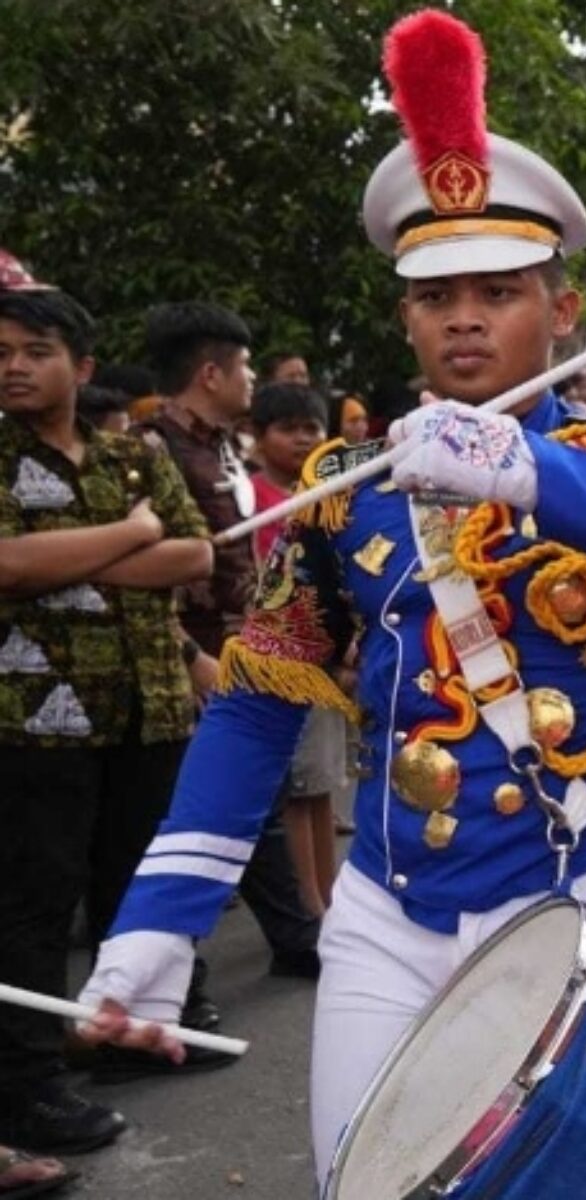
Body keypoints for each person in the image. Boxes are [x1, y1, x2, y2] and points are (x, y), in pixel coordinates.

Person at [70, 13, 586, 1184]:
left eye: (499, 290)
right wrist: (164, 915)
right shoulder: (339, 493)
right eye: (436, 294)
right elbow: (259, 706)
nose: (465, 316)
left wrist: (534, 473)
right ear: (404, 314)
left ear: (561, 312)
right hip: (389, 913)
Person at [0, 280, 216, 1157]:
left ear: (81, 366)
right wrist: (131, 535)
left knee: (132, 892)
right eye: (2, 353)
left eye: (34, 351)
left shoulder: (132, 454)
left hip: (146, 710)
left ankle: (116, 1037)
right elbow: (7, 567)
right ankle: (26, 1093)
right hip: (32, 723)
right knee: (31, 909)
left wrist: (77, 555)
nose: (14, 366)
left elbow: (196, 551)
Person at [134, 303, 326, 1002]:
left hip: (245, 653)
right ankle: (168, 989)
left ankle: (296, 939)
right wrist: (189, 660)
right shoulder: (150, 450)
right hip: (182, 664)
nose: (252, 377)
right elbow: (140, 575)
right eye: (244, 366)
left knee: (261, 801)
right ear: (211, 373)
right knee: (186, 819)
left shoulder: (222, 449)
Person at [242, 383, 348, 918]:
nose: (304, 439)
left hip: (324, 660)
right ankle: (309, 905)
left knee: (323, 787)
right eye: (288, 429)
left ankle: (330, 897)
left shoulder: (328, 496)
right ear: (258, 439)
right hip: (283, 661)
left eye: (312, 427)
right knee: (297, 792)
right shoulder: (254, 498)